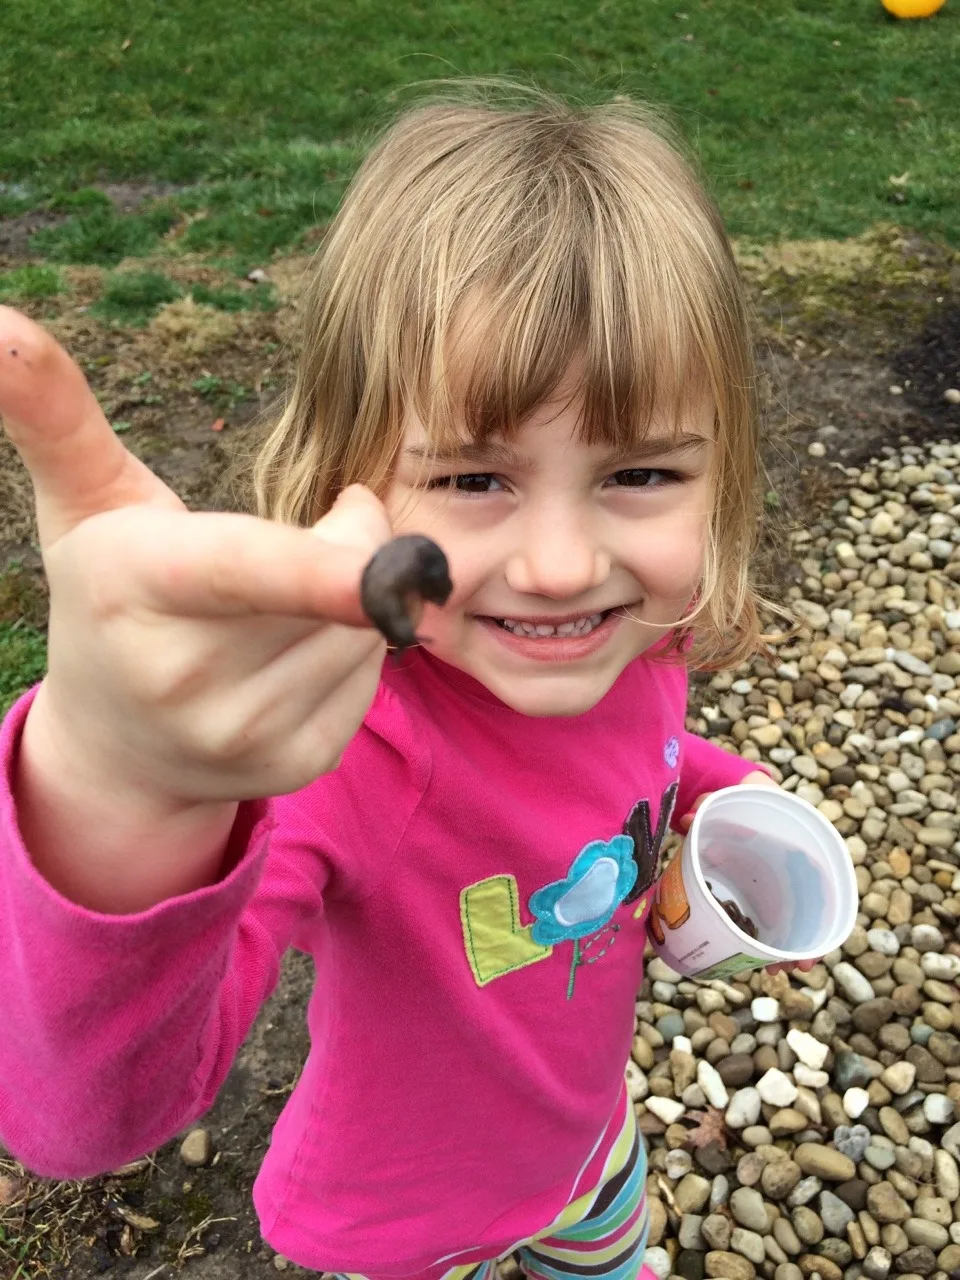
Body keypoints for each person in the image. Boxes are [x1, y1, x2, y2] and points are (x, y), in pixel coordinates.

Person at [0, 87, 797, 1280]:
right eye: (476, 479)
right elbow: (82, 1123)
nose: (564, 566)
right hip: (407, 1228)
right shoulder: (345, 756)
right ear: (348, 472)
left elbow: (643, 754)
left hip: (590, 1157)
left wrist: (732, 794)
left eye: (639, 471)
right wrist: (126, 791)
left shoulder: (628, 642)